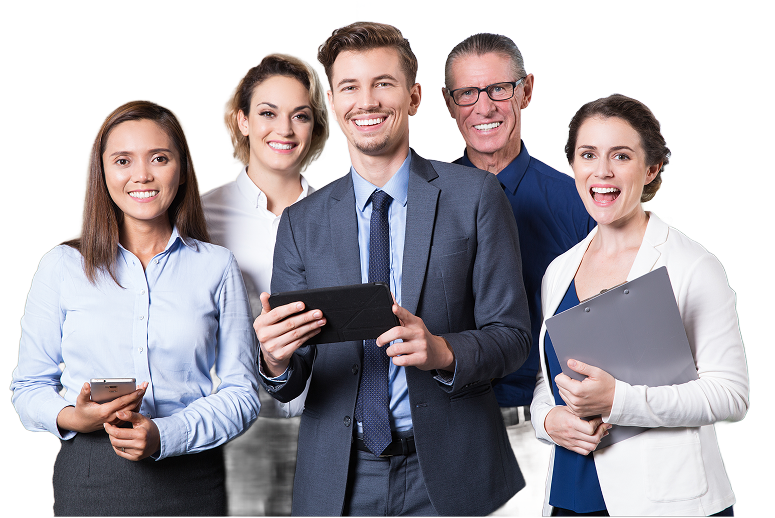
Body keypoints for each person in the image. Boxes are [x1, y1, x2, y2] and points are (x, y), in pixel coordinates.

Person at [253, 21, 531, 517]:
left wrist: (443, 351)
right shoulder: (301, 223)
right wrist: (274, 361)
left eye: (383, 84)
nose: (368, 101)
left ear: (414, 96)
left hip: (452, 473)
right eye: (350, 88)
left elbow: (511, 336)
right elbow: (293, 374)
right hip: (339, 478)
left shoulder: (474, 198)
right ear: (334, 105)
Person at [10, 99, 260, 516]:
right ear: (102, 173)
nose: (141, 175)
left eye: (159, 158)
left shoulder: (217, 266)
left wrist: (167, 434)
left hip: (193, 479)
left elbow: (242, 394)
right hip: (90, 477)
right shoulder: (61, 267)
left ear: (181, 170)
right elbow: (28, 386)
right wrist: (74, 417)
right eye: (123, 160)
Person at [530, 93, 749, 516]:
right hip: (572, 493)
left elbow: (730, 395)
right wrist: (547, 421)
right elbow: (549, 378)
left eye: (622, 156)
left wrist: (619, 401)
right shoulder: (559, 270)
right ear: (571, 167)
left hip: (665, 499)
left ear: (651, 169)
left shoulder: (692, 265)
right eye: (588, 154)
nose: (603, 172)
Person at [441, 32, 596, 512]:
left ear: (526, 90)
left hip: (536, 432)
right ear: (449, 104)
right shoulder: (427, 201)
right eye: (467, 93)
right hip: (447, 426)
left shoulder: (578, 204)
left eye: (498, 89)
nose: (483, 107)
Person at [201, 51, 330, 516]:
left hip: (322, 427)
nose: (285, 129)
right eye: (268, 113)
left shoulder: (339, 216)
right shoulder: (202, 217)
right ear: (243, 120)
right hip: (231, 433)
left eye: (301, 116)